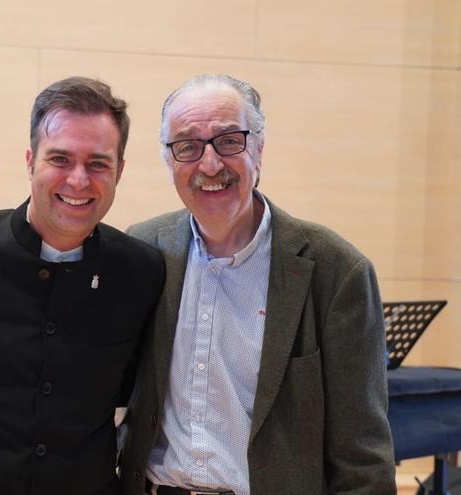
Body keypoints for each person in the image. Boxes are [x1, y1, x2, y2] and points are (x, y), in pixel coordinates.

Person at [119, 74, 396, 495]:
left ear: (259, 149)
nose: (209, 165)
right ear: (169, 160)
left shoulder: (337, 272)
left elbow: (363, 453)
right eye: (188, 146)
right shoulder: (143, 251)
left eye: (229, 140)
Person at [0, 77, 165, 495]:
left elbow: (139, 390)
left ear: (119, 171)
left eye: (98, 163)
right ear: (31, 160)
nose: (79, 180)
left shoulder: (141, 271)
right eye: (61, 159)